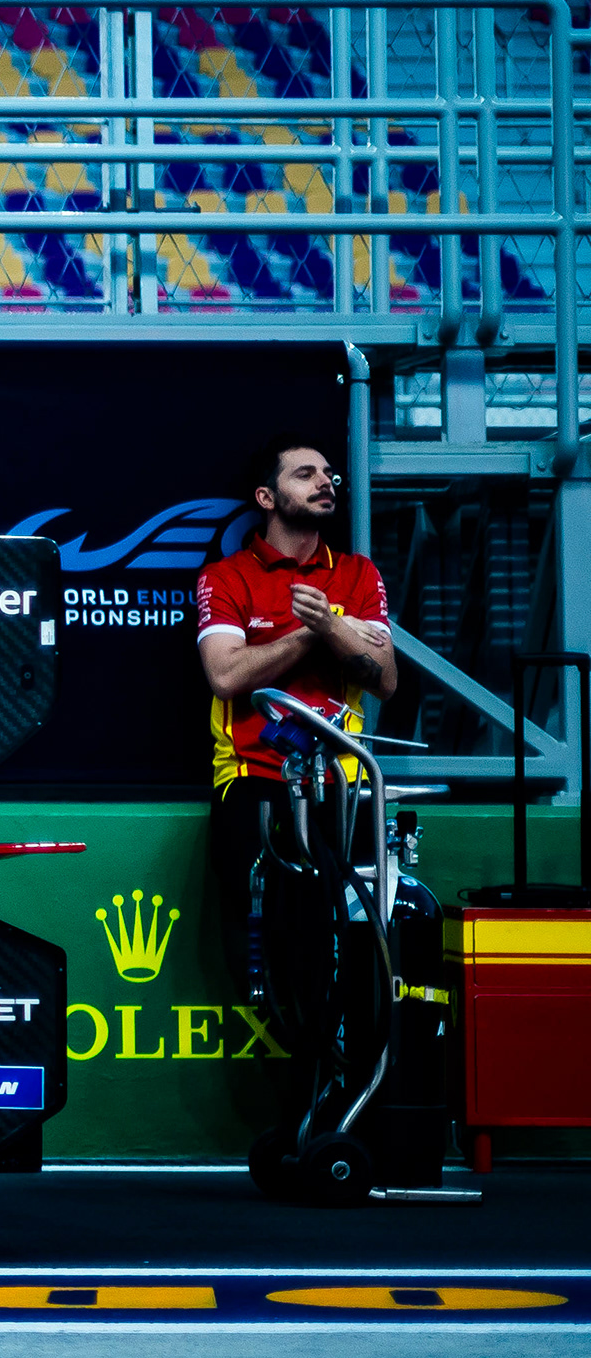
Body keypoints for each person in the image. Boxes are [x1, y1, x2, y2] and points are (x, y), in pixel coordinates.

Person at [195, 434, 396, 1023]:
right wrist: (320, 630)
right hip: (252, 782)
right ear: (266, 495)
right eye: (304, 474)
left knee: (350, 957)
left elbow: (384, 679)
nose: (324, 482)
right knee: (271, 960)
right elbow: (227, 675)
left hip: (345, 786)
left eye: (328, 474)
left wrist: (327, 628)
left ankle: (343, 1099)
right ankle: (300, 1100)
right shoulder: (226, 577)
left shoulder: (357, 573)